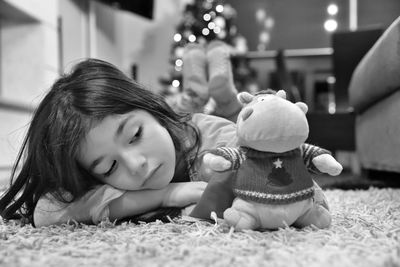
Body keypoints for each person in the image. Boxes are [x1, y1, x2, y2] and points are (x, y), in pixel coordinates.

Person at [0, 53, 332, 228]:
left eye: (135, 135)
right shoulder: (102, 167)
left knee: (217, 107)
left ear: (151, 109)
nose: (136, 164)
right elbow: (45, 211)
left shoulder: (217, 143)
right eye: (109, 166)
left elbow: (295, 186)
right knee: (194, 98)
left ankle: (218, 87)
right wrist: (168, 192)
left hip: (206, 124)